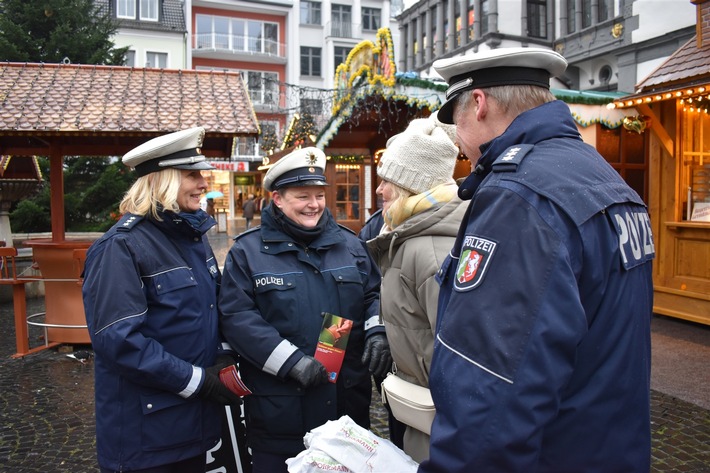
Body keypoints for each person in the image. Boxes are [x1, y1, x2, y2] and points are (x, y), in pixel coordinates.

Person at [418, 47, 655, 472]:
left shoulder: (519, 197)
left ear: (478, 103)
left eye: (455, 121)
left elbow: (489, 392)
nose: (457, 139)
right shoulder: (603, 176)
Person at [218, 147, 391, 473]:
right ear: (277, 199)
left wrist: (377, 330)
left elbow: (374, 295)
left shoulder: (349, 244)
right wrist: (291, 361)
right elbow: (237, 317)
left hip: (346, 411)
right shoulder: (248, 252)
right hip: (282, 416)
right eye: (302, 196)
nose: (314, 205)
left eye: (318, 195)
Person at [82, 127, 243, 473]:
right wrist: (199, 380)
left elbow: (210, 311)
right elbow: (120, 341)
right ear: (162, 180)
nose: (203, 182)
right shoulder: (120, 247)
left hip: (192, 426)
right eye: (192, 174)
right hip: (146, 438)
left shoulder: (191, 240)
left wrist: (223, 359)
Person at [365, 113, 468, 463]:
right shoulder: (409, 235)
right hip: (422, 411)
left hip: (438, 419)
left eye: (387, 181)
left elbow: (460, 355)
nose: (379, 190)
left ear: (411, 185)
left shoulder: (431, 249)